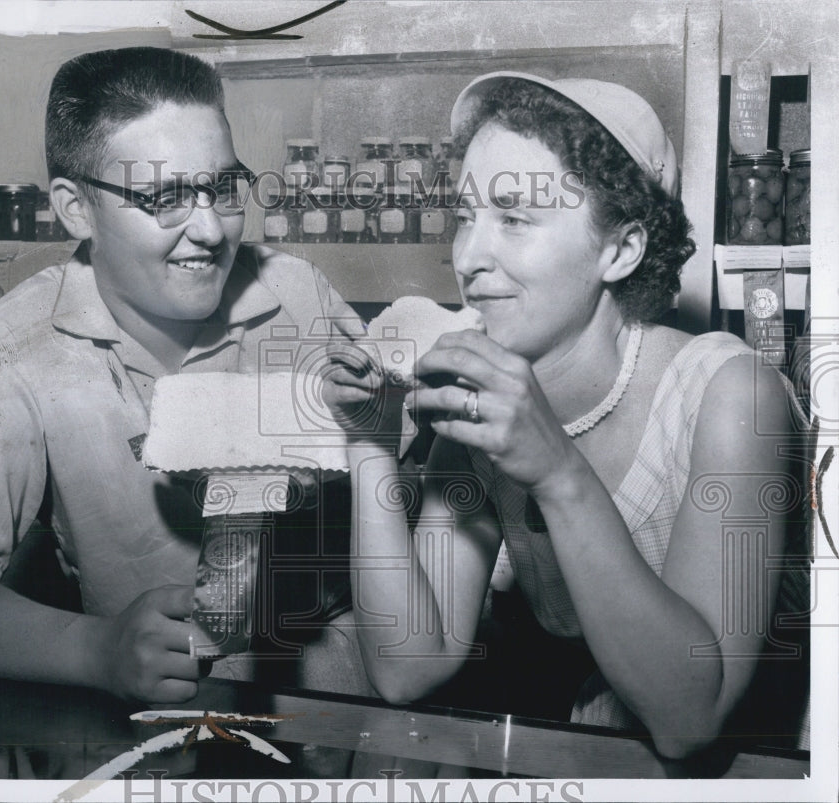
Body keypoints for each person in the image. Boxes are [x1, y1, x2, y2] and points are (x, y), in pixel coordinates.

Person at [326, 71, 806, 759]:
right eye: (465, 216)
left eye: (515, 218)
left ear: (620, 249)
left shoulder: (732, 396)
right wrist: (369, 442)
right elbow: (408, 665)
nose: (467, 259)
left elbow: (690, 716)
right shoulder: (484, 395)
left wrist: (556, 470)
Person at [0, 47, 369, 705]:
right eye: (165, 196)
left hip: (342, 711)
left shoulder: (300, 297)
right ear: (76, 208)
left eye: (222, 188)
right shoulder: (11, 349)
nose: (208, 229)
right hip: (155, 720)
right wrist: (95, 648)